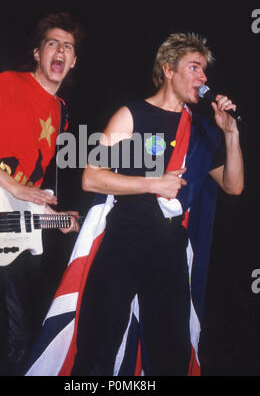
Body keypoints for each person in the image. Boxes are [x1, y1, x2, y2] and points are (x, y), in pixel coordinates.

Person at [70, 33, 244, 376]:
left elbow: (234, 186)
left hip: (169, 250)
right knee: (100, 349)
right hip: (125, 240)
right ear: (168, 70)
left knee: (170, 354)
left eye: (204, 70)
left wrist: (231, 134)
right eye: (194, 67)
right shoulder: (132, 115)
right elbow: (91, 176)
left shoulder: (201, 130)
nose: (203, 78)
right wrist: (153, 184)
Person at [0, 12, 84, 375]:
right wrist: (12, 184)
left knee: (21, 333)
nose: (60, 51)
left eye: (68, 47)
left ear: (73, 61)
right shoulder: (8, 84)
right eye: (52, 43)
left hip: (11, 220)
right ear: (37, 52)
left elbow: (31, 189)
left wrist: (54, 218)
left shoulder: (61, 112)